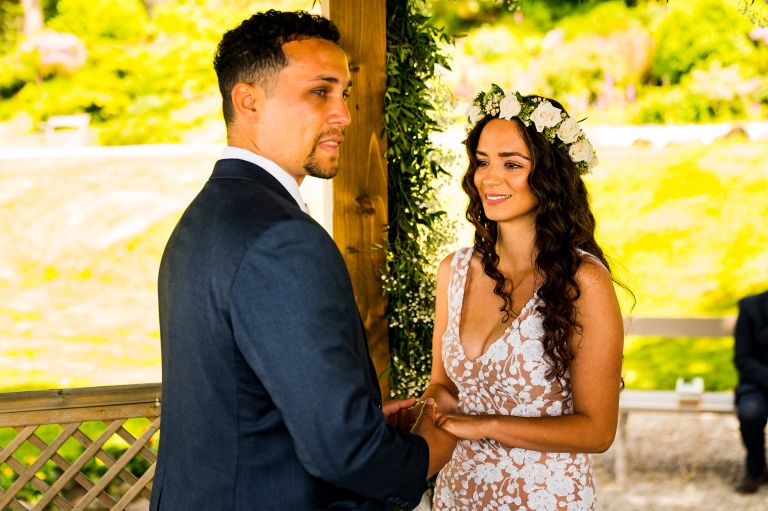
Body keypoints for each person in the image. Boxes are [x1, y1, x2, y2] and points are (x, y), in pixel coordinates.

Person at [149, 10, 454, 511]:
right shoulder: (281, 238)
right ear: (247, 100)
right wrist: (426, 452)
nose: (345, 115)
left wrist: (368, 424)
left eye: (346, 94)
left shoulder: (204, 219)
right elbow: (344, 452)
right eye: (321, 92)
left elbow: (249, 396)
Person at [423, 85, 625, 510]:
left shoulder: (582, 282)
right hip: (459, 492)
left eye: (511, 164)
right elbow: (442, 387)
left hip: (544, 497)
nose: (489, 178)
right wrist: (417, 421)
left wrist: (487, 425)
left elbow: (597, 431)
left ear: (548, 176)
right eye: (482, 162)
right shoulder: (454, 272)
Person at [733, 290, 768, 493]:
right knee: (750, 412)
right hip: (756, 383)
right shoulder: (750, 307)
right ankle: (756, 469)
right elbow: (743, 358)